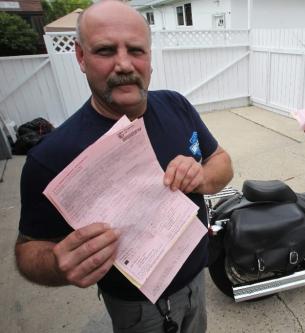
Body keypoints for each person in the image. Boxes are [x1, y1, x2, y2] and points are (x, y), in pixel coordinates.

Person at [14, 1, 233, 332]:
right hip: (136, 307)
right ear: (81, 58)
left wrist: (201, 176)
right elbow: (27, 248)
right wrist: (58, 264)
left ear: (149, 57)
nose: (124, 64)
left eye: (136, 50)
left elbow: (222, 163)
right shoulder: (51, 156)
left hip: (196, 280)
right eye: (105, 50)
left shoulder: (176, 105)